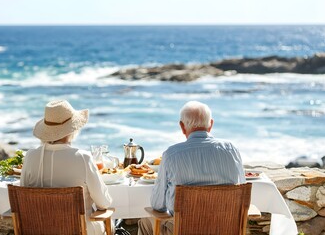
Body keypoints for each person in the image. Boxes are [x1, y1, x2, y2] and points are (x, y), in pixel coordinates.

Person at [138, 101, 246, 235]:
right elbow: (242, 186)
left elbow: (158, 205)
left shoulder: (171, 155)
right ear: (210, 124)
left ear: (182, 127)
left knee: (146, 222)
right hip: (225, 230)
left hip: (183, 230)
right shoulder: (231, 149)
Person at [21, 100, 112, 235]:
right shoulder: (82, 158)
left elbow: (24, 197)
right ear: (72, 129)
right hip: (80, 230)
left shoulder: (30, 156)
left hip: (38, 230)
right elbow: (104, 203)